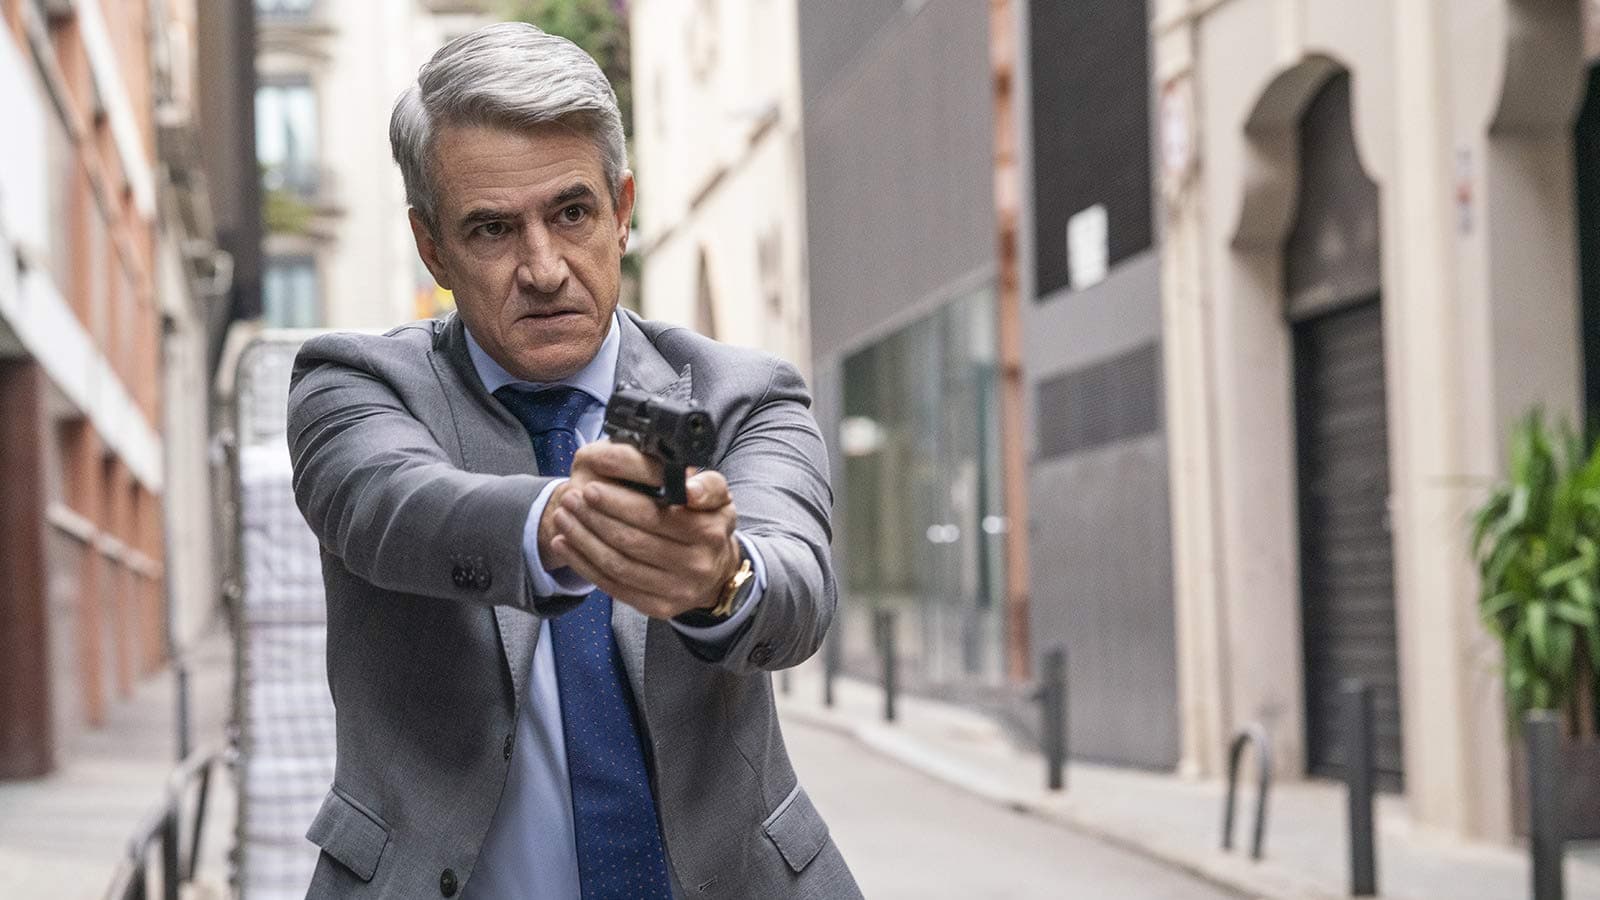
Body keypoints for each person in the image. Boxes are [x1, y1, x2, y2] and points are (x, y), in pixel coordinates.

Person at [286, 22, 860, 900]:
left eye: (572, 213)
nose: (544, 267)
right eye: (492, 229)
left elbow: (798, 583)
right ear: (432, 247)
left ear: (622, 211)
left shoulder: (740, 392)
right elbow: (392, 506)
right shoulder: (357, 385)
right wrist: (560, 525)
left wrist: (719, 578)